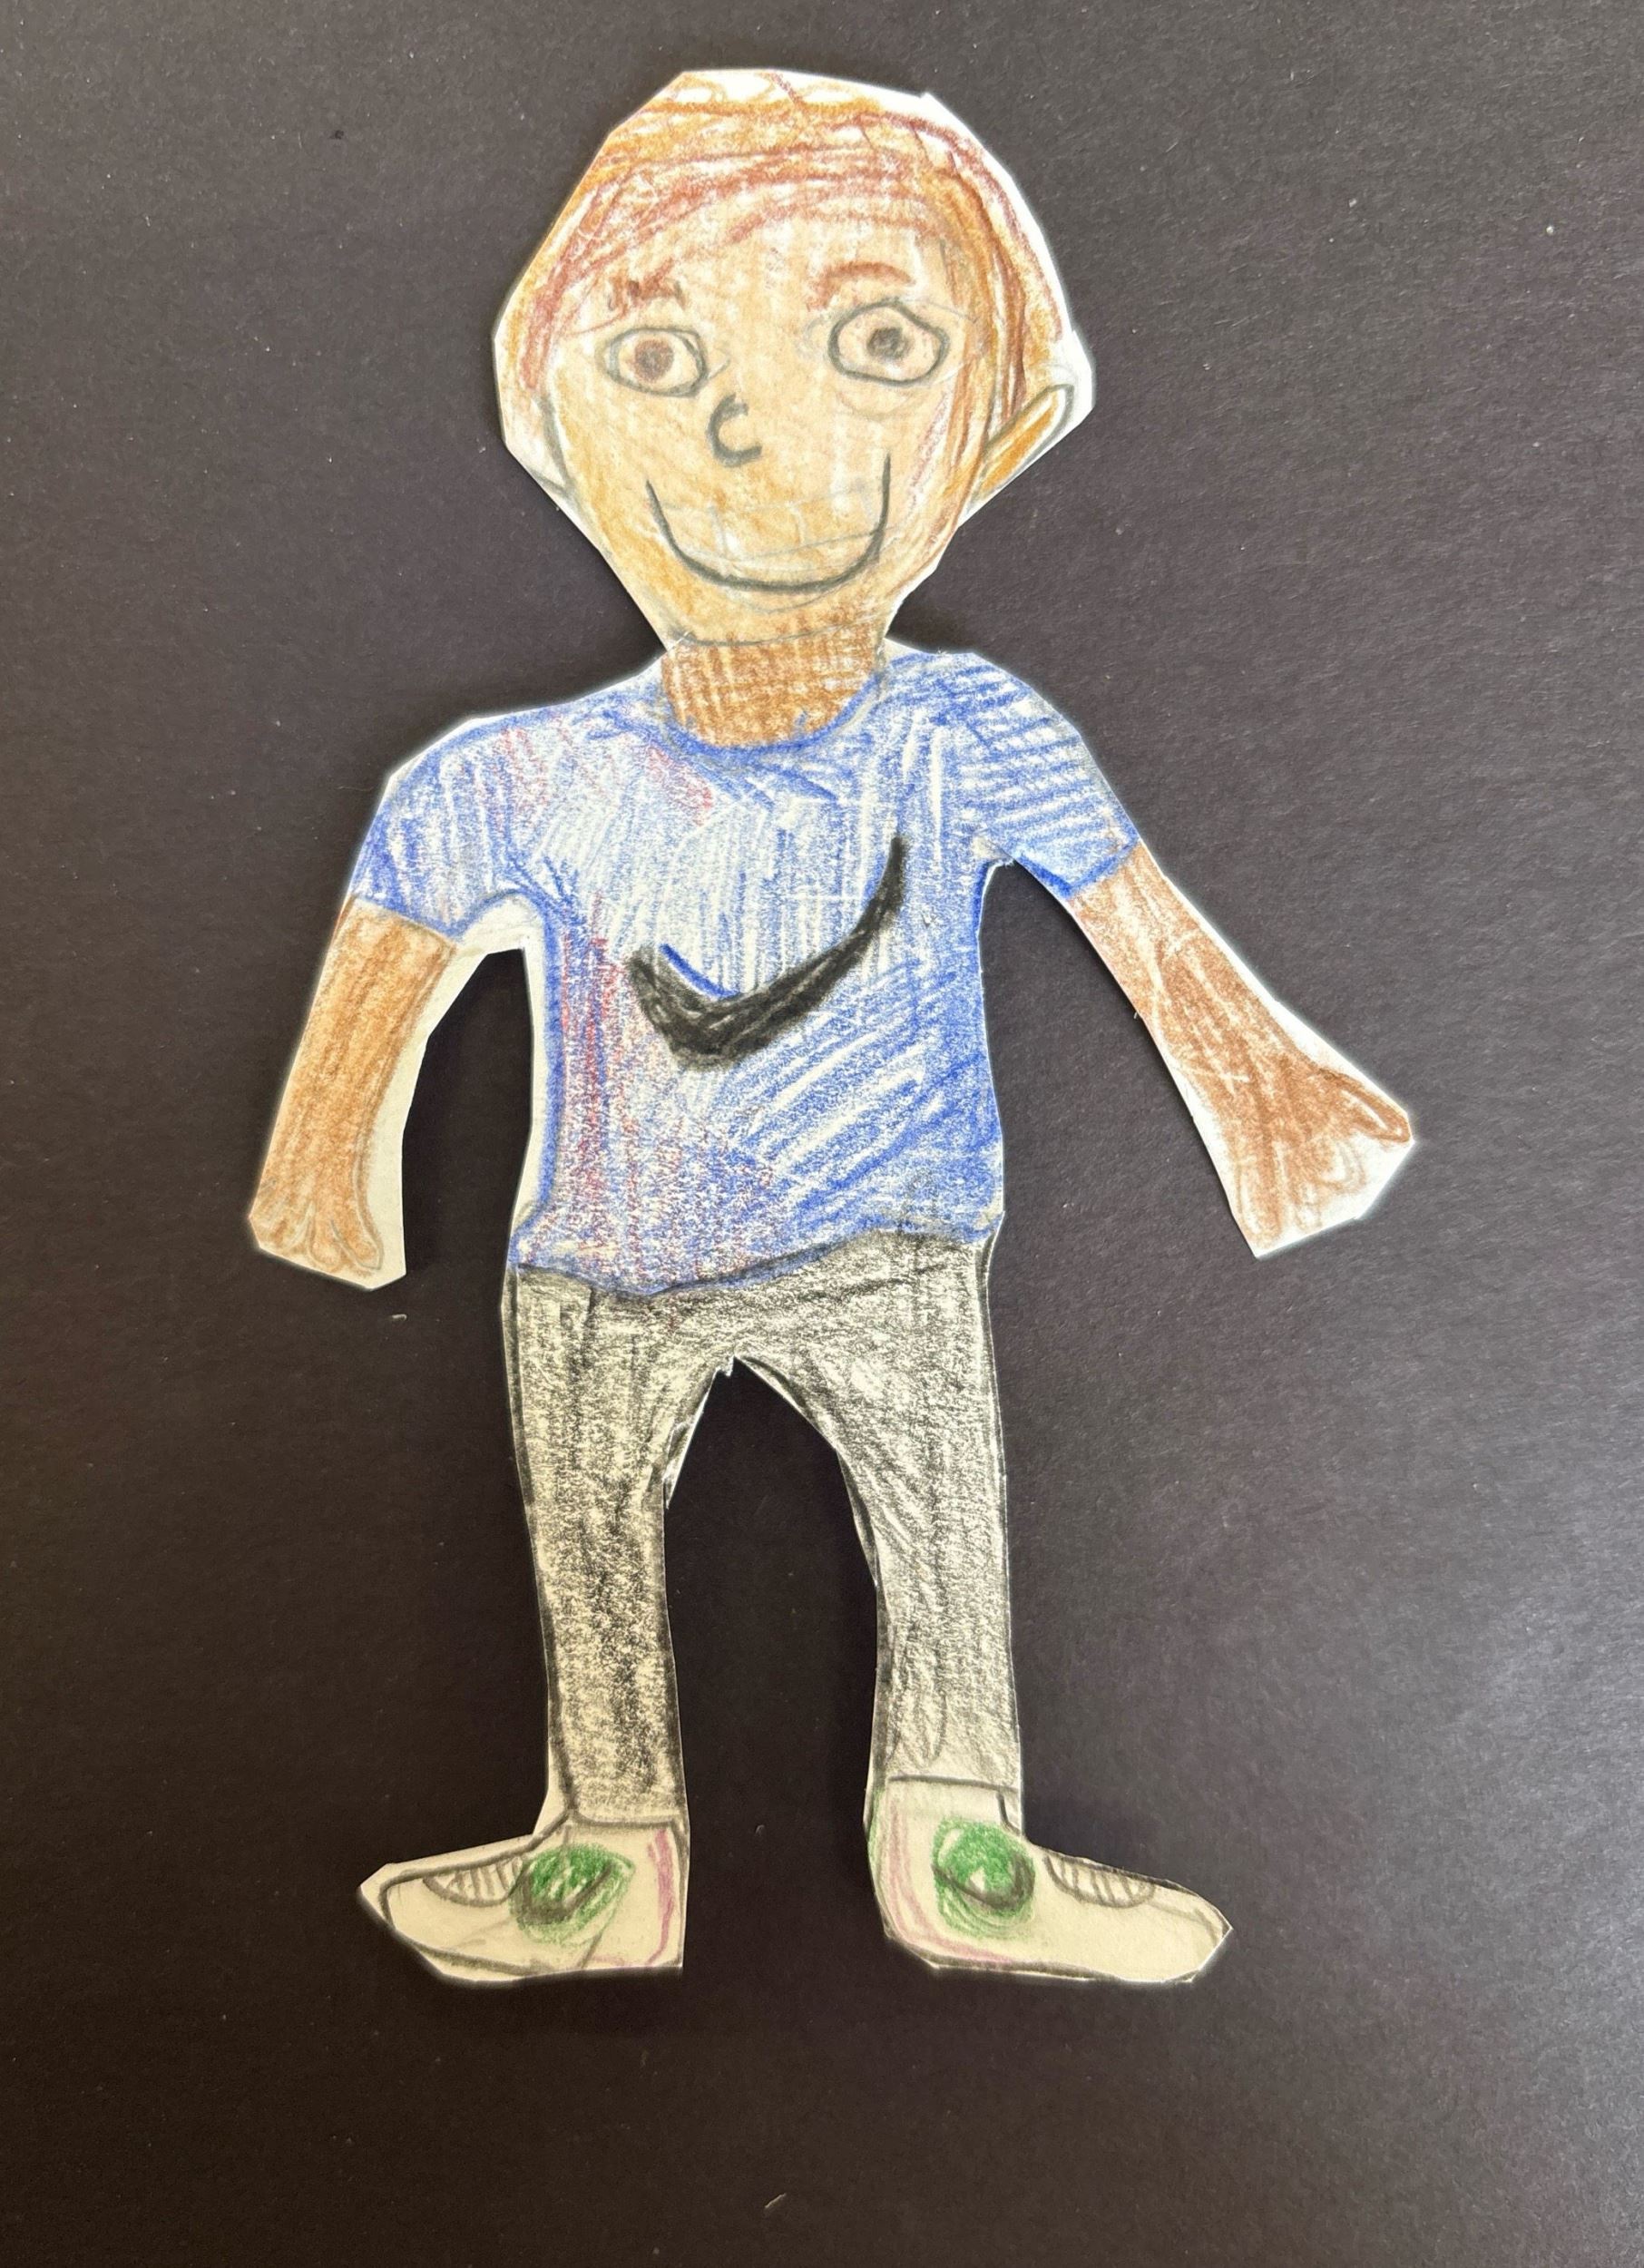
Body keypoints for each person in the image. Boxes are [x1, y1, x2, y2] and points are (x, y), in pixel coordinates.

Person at [250, 69, 1413, 1986]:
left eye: (875, 340)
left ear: (996, 426)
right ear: (551, 424)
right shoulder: (504, 779)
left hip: (893, 1249)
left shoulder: (972, 735)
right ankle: (602, 1853)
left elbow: (1155, 943)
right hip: (601, 1267)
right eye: (656, 353)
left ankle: (958, 1844)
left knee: (944, 1540)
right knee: (590, 1556)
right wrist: (323, 1171)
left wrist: (1275, 1098)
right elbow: (383, 957)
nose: (746, 422)